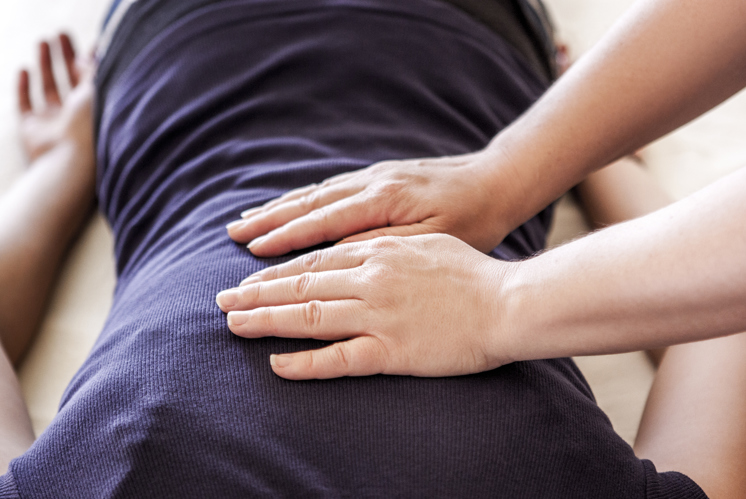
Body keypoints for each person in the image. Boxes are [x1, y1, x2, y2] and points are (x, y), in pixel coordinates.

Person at [0, 0, 720, 497]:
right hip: (463, 47)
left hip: (193, 47)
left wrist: (63, 167)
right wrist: (590, 155)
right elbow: (723, 317)